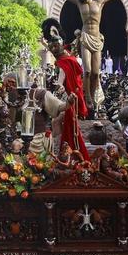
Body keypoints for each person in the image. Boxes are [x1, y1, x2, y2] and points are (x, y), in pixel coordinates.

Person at [42, 19, 89, 160]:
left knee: (57, 122)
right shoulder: (67, 55)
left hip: (70, 97)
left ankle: (59, 147)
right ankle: (62, 146)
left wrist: (60, 86)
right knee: (58, 121)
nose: (53, 49)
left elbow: (63, 77)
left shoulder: (65, 62)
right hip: (72, 95)